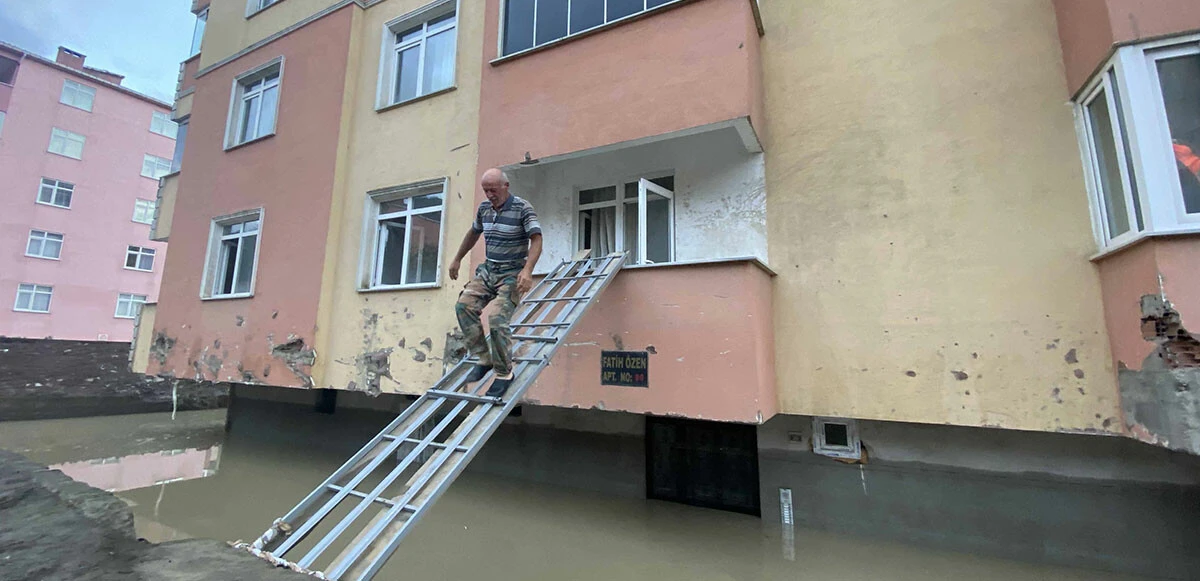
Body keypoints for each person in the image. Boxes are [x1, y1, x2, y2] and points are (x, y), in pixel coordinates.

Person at [448, 168, 543, 398]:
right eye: (485, 190)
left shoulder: (522, 208)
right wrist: (457, 258)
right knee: (464, 306)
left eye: (493, 190)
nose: (489, 194)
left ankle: (504, 373)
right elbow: (473, 233)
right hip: (488, 271)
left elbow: (537, 239)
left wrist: (528, 271)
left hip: (511, 274)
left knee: (497, 319)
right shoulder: (484, 209)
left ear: (505, 186)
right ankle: (484, 357)